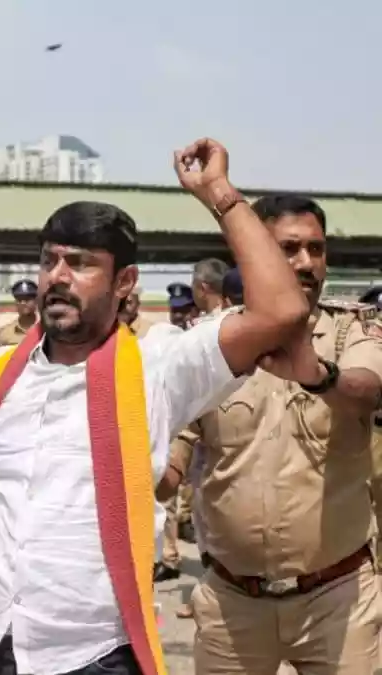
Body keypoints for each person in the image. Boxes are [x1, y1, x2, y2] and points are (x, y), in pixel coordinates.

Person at [0, 138, 314, 675]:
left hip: (92, 655)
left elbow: (281, 311)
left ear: (125, 283)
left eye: (81, 264)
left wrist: (219, 194)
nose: (57, 277)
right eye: (50, 262)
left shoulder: (160, 369)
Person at [162, 194, 382, 675]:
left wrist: (319, 374)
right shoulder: (211, 346)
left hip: (338, 599)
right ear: (253, 251)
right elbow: (172, 454)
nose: (306, 263)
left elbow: (367, 390)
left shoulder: (353, 332)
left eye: (316, 249)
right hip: (232, 603)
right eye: (289, 248)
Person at [0, 279, 37, 345]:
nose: (23, 303)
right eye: (19, 299)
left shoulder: (46, 330)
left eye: (27, 299)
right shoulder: (4, 334)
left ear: (36, 301)